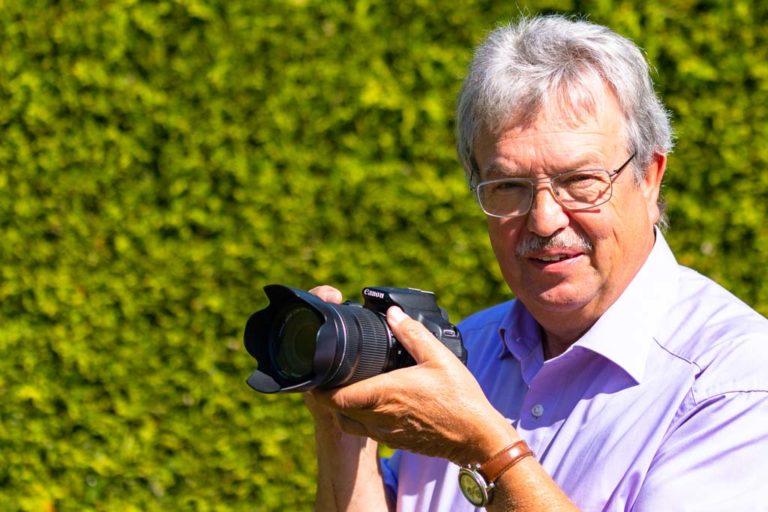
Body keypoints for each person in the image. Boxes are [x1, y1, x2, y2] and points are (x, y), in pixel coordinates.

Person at [305, 14, 768, 511]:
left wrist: (487, 450)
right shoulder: (466, 352)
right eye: (509, 187)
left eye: (579, 180)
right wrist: (340, 421)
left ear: (650, 178)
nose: (544, 220)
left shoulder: (734, 382)